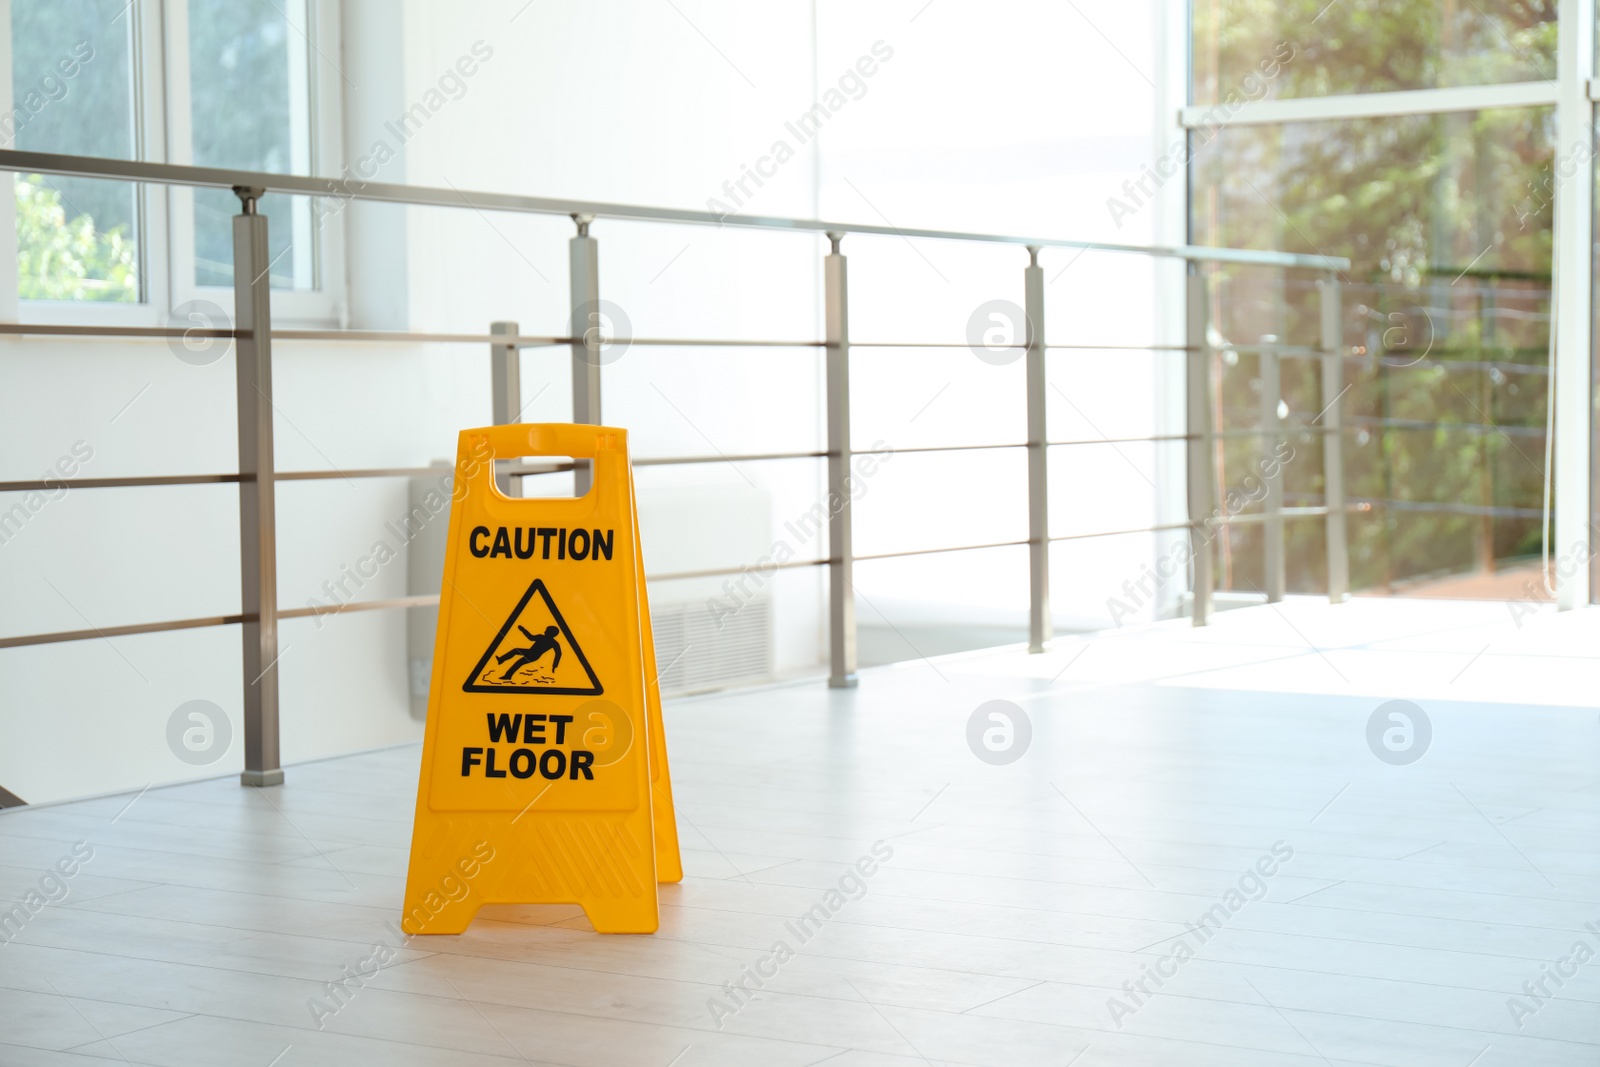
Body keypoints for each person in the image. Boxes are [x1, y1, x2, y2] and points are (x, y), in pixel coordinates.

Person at [495, 624, 562, 680]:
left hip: (533, 655)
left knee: (518, 662)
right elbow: (531, 637)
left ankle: (508, 675)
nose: (544, 631)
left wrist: (554, 665)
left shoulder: (551, 642)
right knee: (515, 651)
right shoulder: (549, 641)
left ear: (550, 633)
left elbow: (558, 654)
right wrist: (523, 630)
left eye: (546, 630)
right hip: (530, 652)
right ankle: (501, 660)